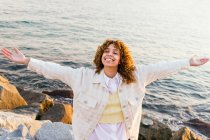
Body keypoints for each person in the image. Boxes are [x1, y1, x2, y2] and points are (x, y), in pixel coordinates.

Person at [1, 39, 209, 140]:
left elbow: (162, 68)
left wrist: (188, 62)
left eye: (115, 52)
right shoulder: (82, 77)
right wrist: (27, 61)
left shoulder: (137, 76)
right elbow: (54, 70)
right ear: (101, 55)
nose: (109, 54)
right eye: (106, 51)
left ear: (121, 59)